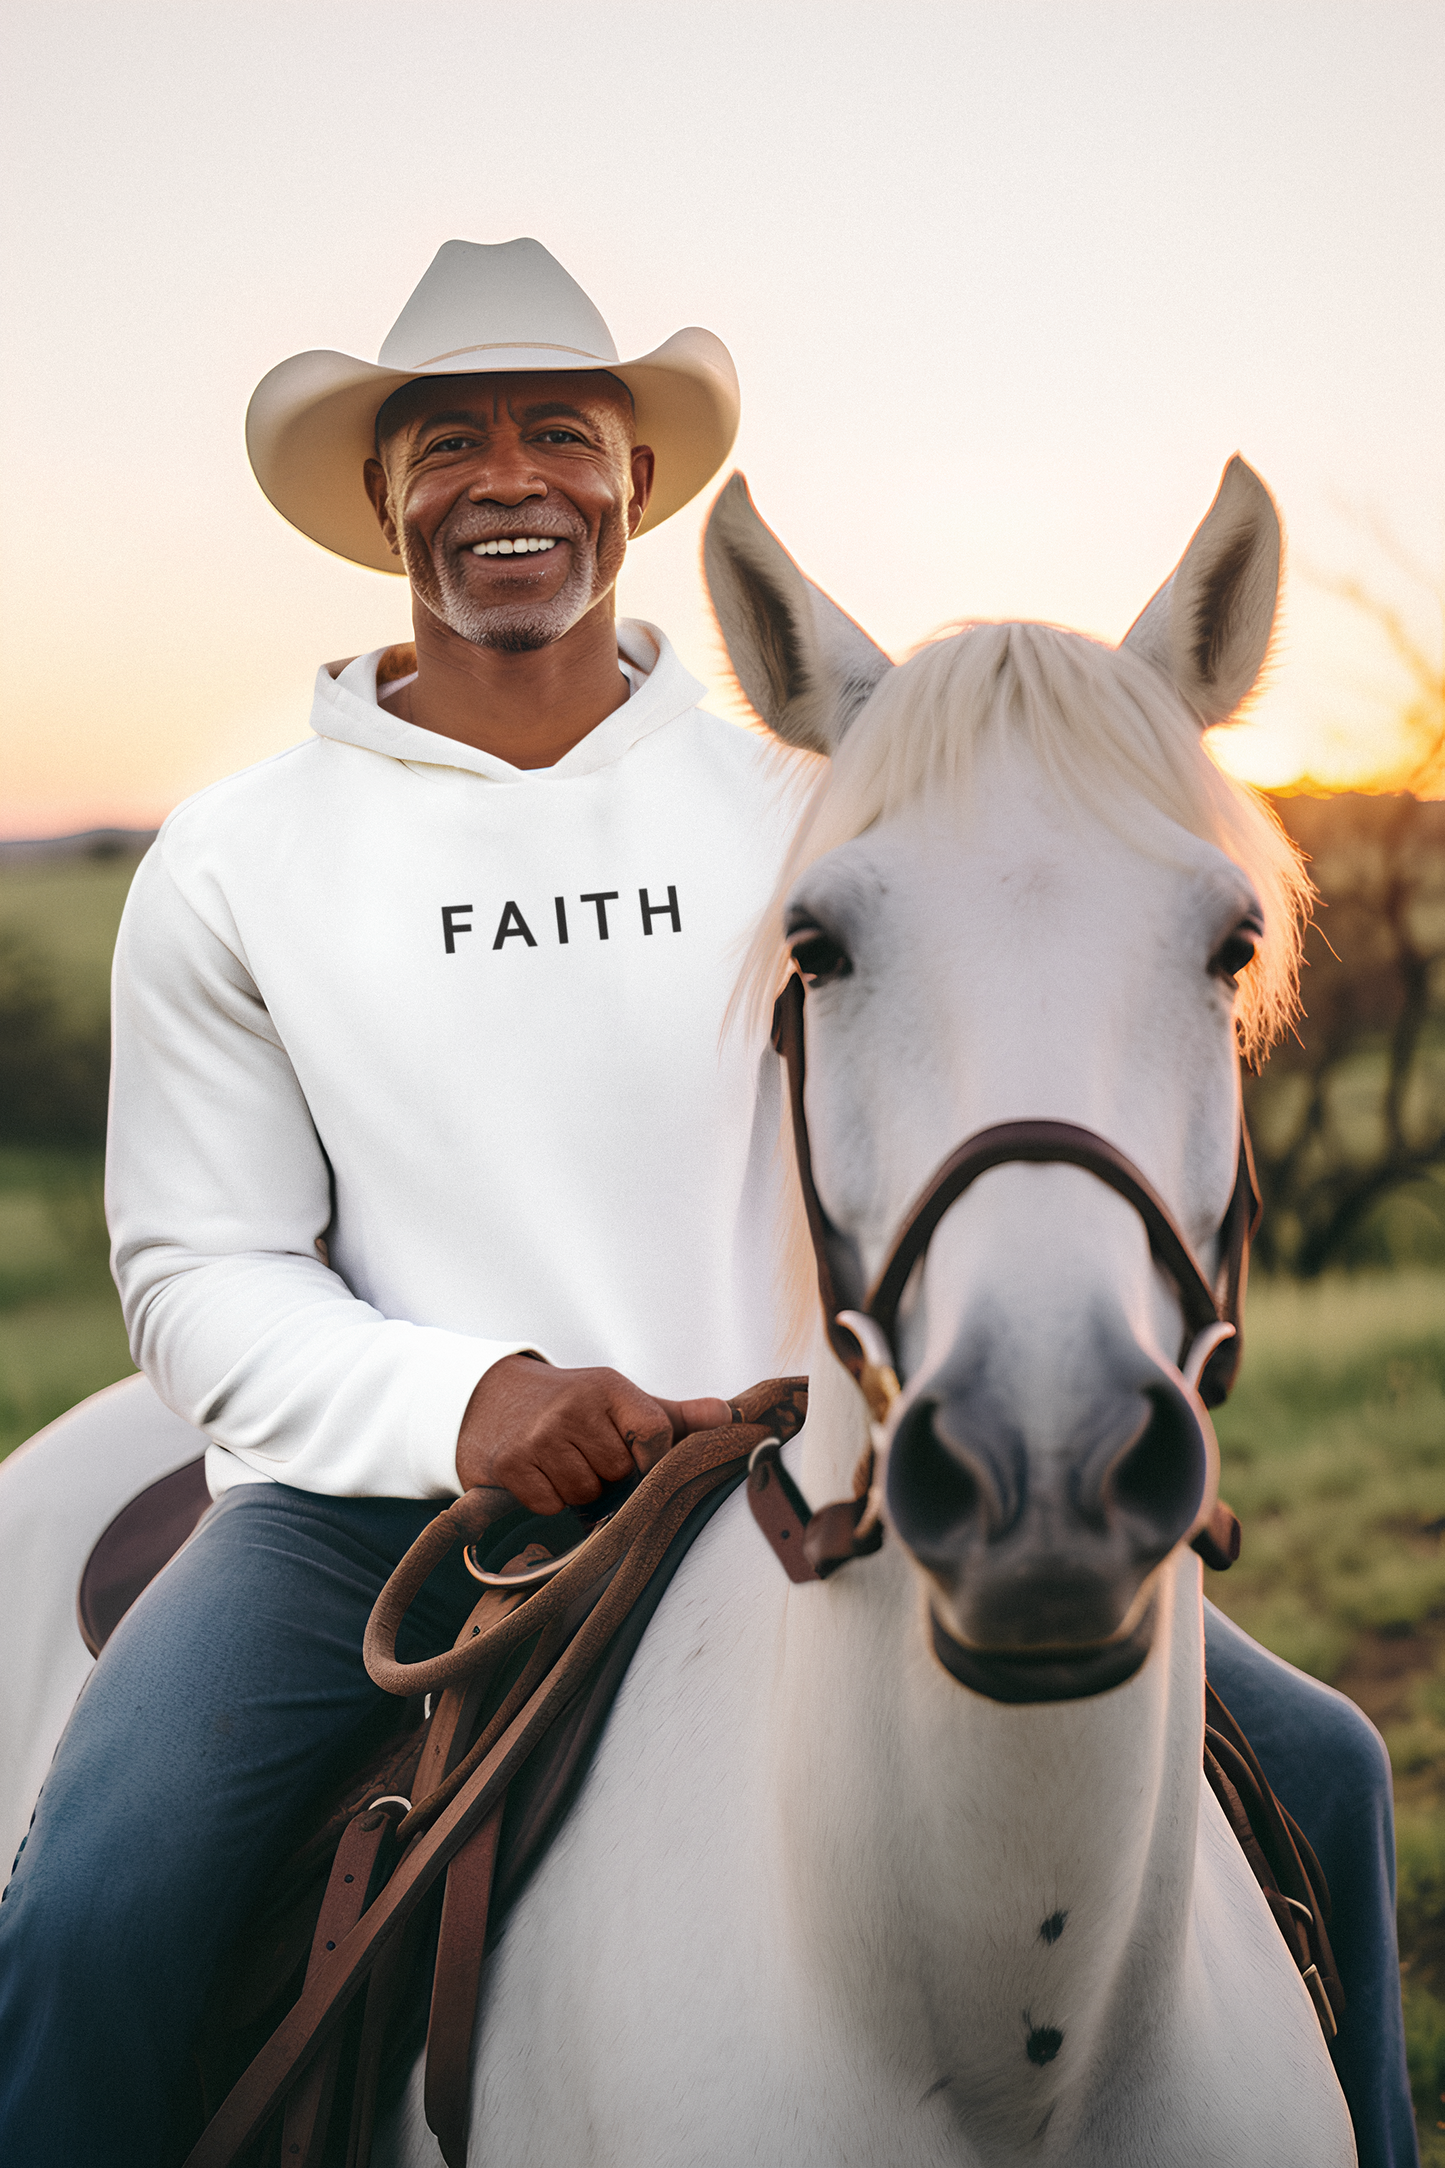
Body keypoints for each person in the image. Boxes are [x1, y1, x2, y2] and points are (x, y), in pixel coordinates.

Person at [0, 238, 1415, 2168]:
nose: (513, 480)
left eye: (562, 434)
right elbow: (192, 1271)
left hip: (801, 1463)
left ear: (636, 486)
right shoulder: (238, 860)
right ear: (379, 496)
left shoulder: (805, 799)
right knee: (102, 1903)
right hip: (374, 1522)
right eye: (452, 442)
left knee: (1326, 1769)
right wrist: (475, 1398)